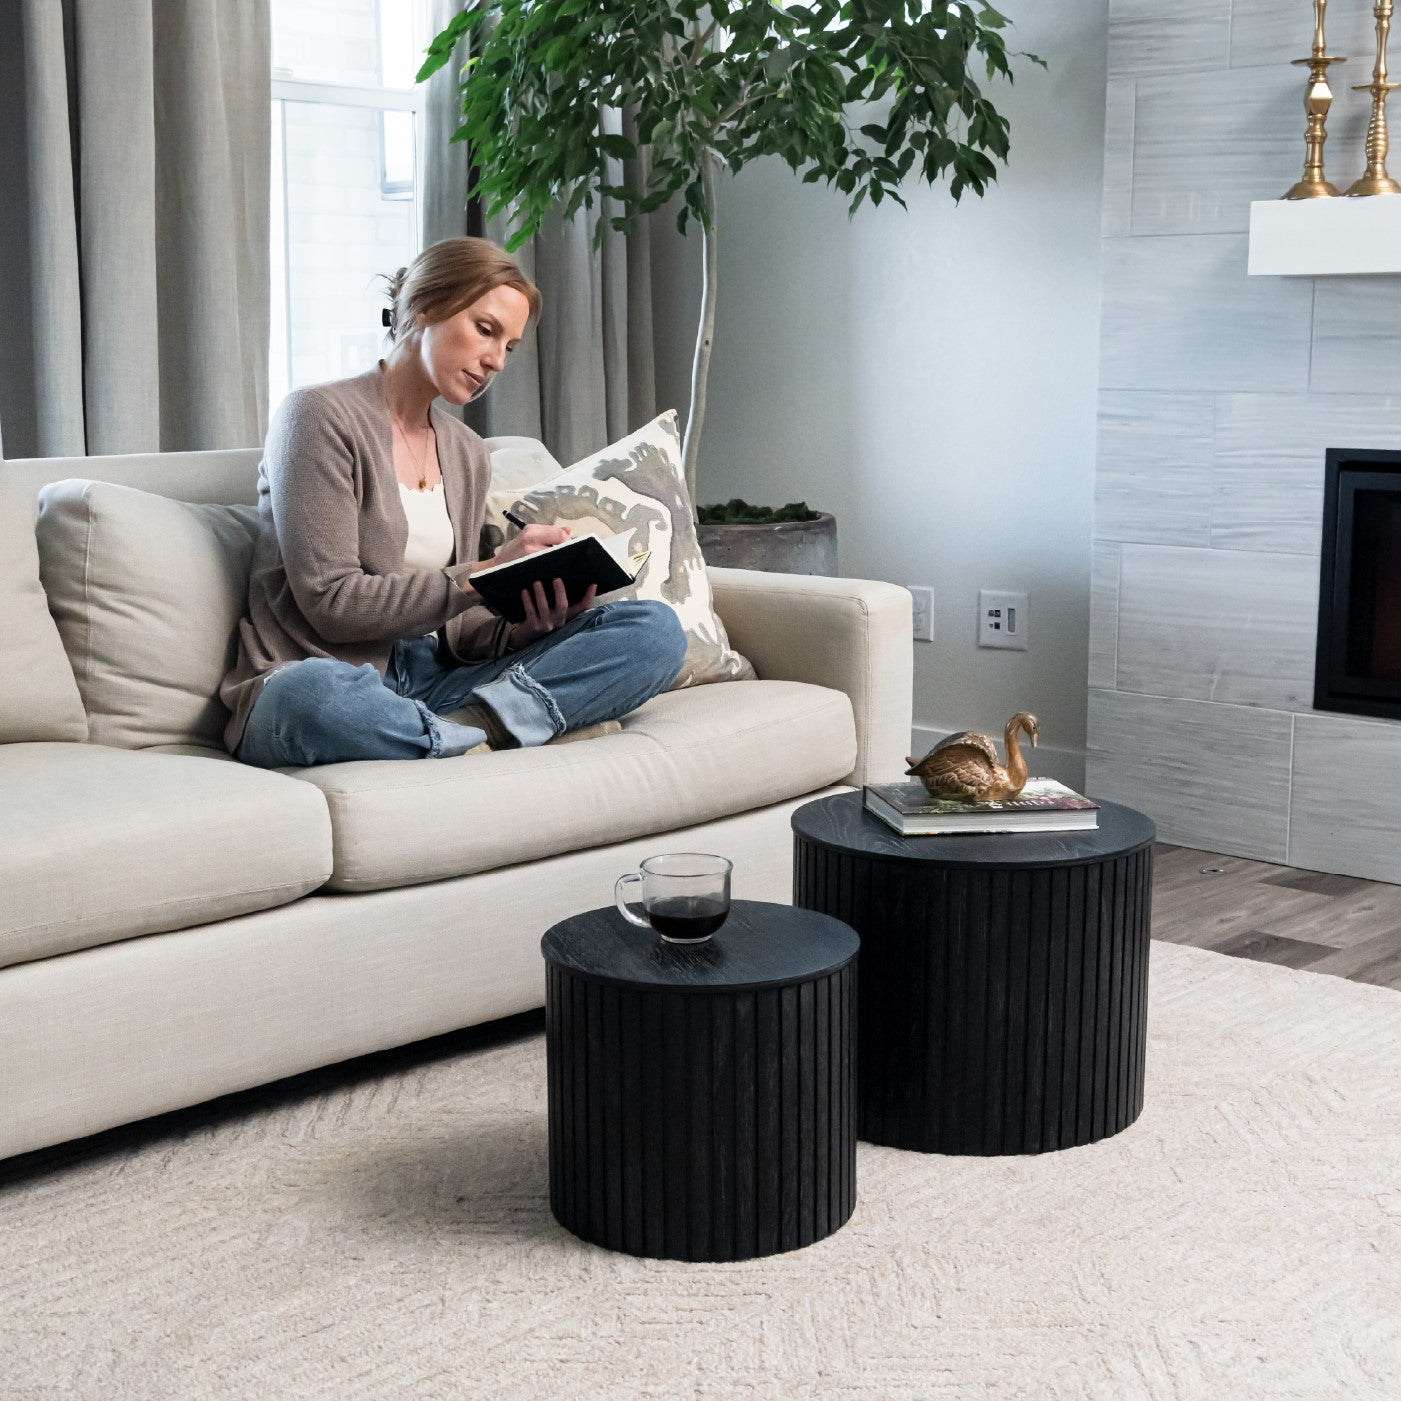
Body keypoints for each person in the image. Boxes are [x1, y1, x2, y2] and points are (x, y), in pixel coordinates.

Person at [220, 237, 687, 768]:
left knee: (653, 631)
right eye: (485, 330)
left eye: (508, 347)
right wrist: (483, 573)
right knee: (306, 697)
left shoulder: (466, 453)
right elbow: (331, 606)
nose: (495, 361)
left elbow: (458, 636)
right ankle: (512, 724)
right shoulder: (317, 417)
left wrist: (523, 629)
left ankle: (465, 731)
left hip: (438, 686)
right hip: (328, 678)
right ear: (423, 306)